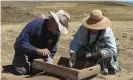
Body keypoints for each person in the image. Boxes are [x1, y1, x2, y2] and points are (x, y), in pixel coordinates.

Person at [12, 10, 70, 75]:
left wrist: (49, 57)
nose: (58, 30)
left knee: (47, 67)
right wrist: (37, 50)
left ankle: (32, 65)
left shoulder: (56, 33)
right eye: (58, 27)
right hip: (24, 52)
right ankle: (19, 61)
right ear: (53, 21)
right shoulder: (34, 25)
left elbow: (53, 50)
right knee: (22, 71)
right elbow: (20, 43)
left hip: (39, 55)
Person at [69, 10, 119, 74]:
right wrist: (73, 52)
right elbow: (76, 41)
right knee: (79, 54)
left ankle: (103, 67)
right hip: (88, 49)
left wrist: (98, 55)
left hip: (101, 51)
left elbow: (113, 50)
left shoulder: (107, 31)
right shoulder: (83, 28)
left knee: (104, 58)